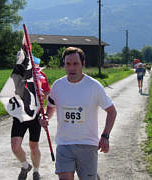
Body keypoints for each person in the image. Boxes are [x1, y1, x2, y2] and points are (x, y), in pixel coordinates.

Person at [40, 47, 117, 180]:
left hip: (87, 144)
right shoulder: (58, 86)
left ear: (83, 64)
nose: (72, 68)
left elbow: (112, 111)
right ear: (63, 65)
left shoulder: (94, 86)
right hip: (64, 144)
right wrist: (45, 116)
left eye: (75, 64)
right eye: (68, 64)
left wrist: (105, 136)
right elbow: (51, 107)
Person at [11, 56, 50, 180]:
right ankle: (25, 166)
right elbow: (10, 92)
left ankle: (36, 171)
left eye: (34, 65)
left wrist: (43, 97)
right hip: (20, 115)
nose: (32, 67)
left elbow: (46, 94)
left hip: (35, 115)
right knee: (15, 147)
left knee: (33, 146)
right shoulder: (18, 74)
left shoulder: (42, 77)